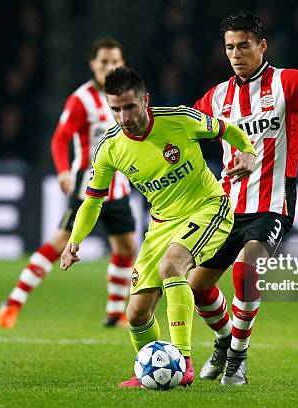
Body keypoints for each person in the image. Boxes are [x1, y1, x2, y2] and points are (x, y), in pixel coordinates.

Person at [189, 11, 298, 385]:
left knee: (246, 271)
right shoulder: (217, 96)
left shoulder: (289, 82)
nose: (236, 54)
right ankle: (222, 341)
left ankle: (237, 357)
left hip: (272, 202)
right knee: (197, 286)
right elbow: (185, 127)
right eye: (230, 47)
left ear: (262, 45)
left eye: (244, 46)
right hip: (226, 207)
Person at [59, 66, 257, 388]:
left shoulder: (179, 119)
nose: (123, 117)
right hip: (162, 223)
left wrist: (248, 152)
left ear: (145, 100)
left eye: (129, 107)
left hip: (208, 207)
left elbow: (227, 129)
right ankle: (147, 372)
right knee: (136, 313)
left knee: (172, 265)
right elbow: (93, 201)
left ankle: (183, 362)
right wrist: (74, 240)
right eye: (116, 109)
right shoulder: (110, 148)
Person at [0, 38, 137, 329]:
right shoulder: (81, 100)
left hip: (119, 188)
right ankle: (13, 302)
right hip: (88, 187)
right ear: (92, 65)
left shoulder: (127, 97)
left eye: (115, 62)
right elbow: (61, 138)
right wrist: (62, 170)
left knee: (126, 248)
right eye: (104, 62)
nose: (110, 67)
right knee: (61, 242)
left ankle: (114, 313)